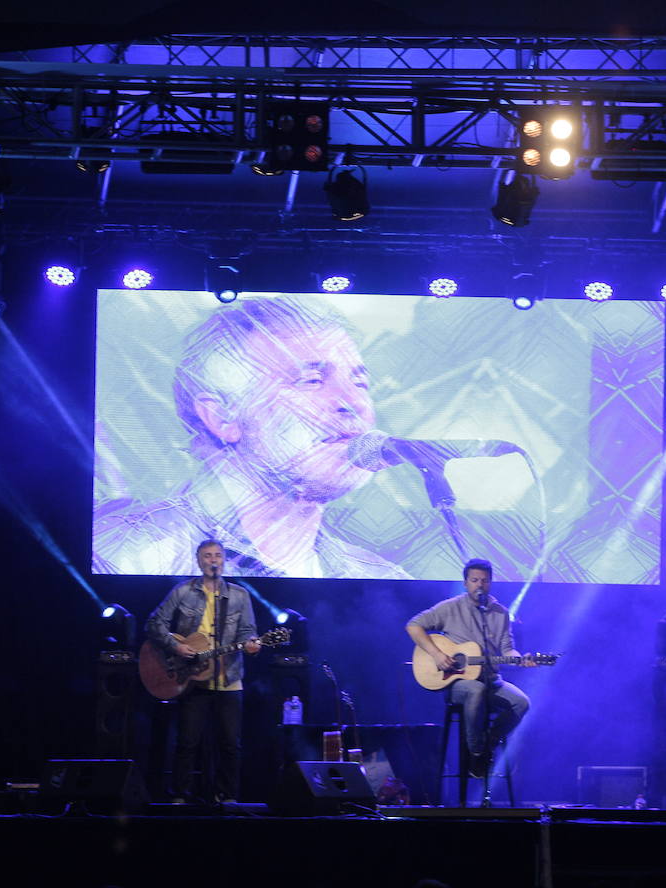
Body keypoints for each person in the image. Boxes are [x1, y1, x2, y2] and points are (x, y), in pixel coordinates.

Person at [94, 297, 408, 578]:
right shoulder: (124, 556)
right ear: (221, 417)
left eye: (360, 383)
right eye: (312, 380)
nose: (354, 403)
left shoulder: (380, 578)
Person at [145, 539, 261, 803]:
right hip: (192, 679)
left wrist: (252, 644)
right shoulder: (183, 591)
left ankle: (227, 796)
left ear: (224, 560)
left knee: (230, 744)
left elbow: (247, 632)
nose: (213, 560)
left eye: (218, 555)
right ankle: (180, 796)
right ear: (199, 561)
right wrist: (176, 646)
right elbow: (154, 624)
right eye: (207, 556)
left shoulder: (240, 594)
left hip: (228, 678)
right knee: (187, 742)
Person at [405, 558, 532, 777]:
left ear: (490, 583)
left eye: (484, 581)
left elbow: (507, 649)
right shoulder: (450, 607)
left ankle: (486, 747)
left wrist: (519, 659)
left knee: (521, 703)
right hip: (458, 683)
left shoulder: (500, 613)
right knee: (475, 689)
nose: (479, 585)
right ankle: (475, 754)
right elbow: (413, 625)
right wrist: (436, 654)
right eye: (474, 580)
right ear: (466, 583)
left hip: (491, 680)